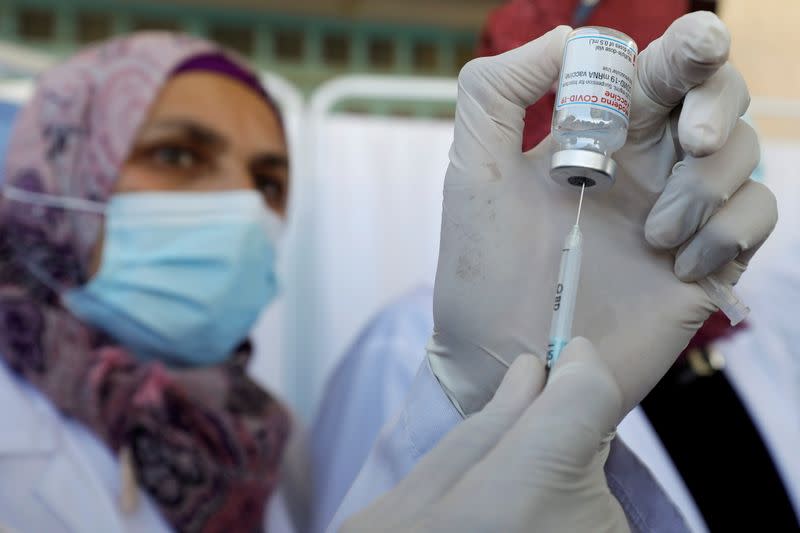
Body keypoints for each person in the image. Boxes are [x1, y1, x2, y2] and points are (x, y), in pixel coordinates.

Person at [0, 12, 776, 533]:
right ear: (55, 167)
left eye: (268, 179)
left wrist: (472, 405)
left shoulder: (252, 439)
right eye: (178, 155)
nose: (241, 203)